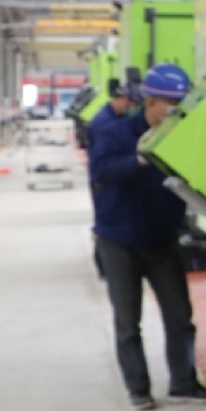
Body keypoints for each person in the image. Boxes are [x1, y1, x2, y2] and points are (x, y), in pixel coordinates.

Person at [89, 63, 206, 411]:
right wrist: (140, 159)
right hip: (119, 242)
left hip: (161, 241)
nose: (175, 111)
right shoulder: (115, 134)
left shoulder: (179, 137)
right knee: (128, 323)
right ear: (150, 102)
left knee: (180, 319)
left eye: (180, 105)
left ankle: (183, 383)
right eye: (170, 104)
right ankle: (138, 389)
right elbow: (101, 171)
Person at [86, 79, 138, 278]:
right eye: (128, 102)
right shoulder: (104, 123)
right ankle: (104, 267)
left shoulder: (111, 117)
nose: (130, 107)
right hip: (102, 181)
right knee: (105, 223)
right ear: (118, 99)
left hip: (103, 178)